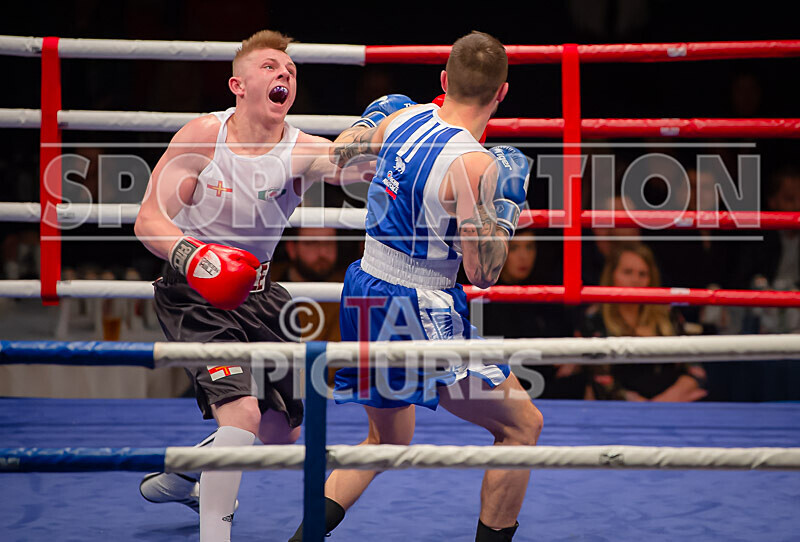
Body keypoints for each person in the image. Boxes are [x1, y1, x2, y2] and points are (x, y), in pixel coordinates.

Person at [288, 31, 543, 542]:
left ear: (444, 79)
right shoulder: (476, 165)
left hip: (364, 286)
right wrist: (506, 211)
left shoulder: (401, 118)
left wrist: (369, 122)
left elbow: (339, 155)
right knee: (522, 425)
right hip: (416, 306)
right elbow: (484, 273)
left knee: (386, 439)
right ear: (502, 93)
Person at [133, 30, 368, 542]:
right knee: (240, 414)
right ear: (237, 85)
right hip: (193, 293)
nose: (284, 74)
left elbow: (363, 169)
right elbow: (149, 220)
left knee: (282, 433)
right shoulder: (203, 136)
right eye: (270, 67)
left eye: (290, 70)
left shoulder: (302, 149)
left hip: (259, 294)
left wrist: (397, 131)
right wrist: (198, 257)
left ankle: (187, 471)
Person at [577, 242, 708, 401]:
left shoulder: (667, 313)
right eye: (627, 272)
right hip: (622, 409)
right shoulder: (594, 319)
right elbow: (602, 382)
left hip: (673, 403)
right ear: (612, 275)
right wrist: (646, 408)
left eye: (642, 274)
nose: (635, 280)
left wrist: (663, 402)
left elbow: (695, 370)